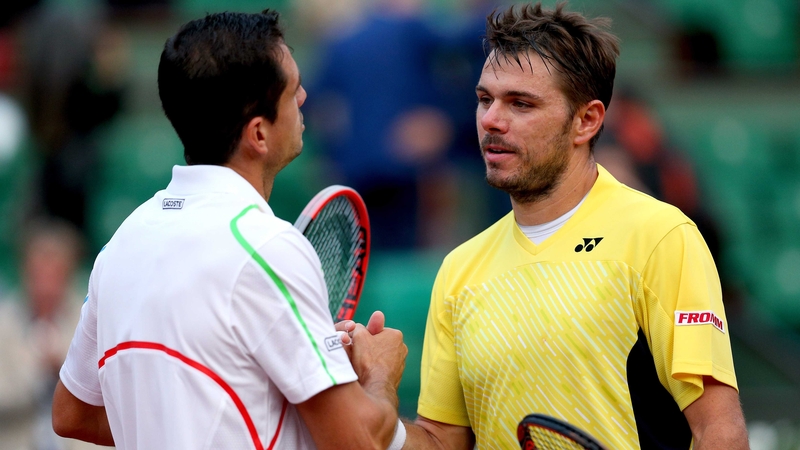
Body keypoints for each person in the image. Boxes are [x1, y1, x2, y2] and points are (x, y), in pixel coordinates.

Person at [50, 10, 407, 450]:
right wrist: (380, 373)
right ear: (259, 134)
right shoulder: (270, 248)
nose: (305, 97)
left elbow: (72, 415)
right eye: (293, 91)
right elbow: (356, 442)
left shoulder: (121, 243)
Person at [401, 3, 750, 449]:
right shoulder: (458, 269)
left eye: (520, 103)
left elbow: (718, 428)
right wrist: (376, 408)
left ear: (586, 120)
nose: (491, 120)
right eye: (485, 99)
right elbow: (439, 441)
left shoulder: (660, 236)